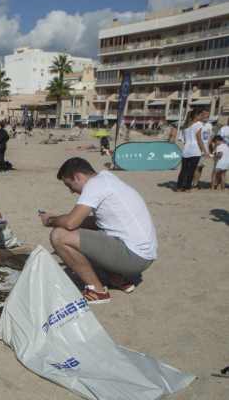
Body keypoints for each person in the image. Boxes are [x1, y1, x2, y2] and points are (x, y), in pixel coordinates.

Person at [40, 157, 157, 304]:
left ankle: (97, 291)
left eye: (69, 185)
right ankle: (118, 278)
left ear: (77, 177)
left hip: (134, 257)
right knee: (88, 230)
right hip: (144, 255)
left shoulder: (94, 185)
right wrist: (59, 218)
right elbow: (90, 222)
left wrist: (51, 221)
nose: (71, 191)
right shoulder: (107, 178)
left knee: (59, 235)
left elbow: (70, 223)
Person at [176, 110, 209, 192]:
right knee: (191, 170)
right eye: (200, 115)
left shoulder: (186, 126)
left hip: (186, 150)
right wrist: (205, 151)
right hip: (195, 150)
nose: (201, 117)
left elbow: (183, 141)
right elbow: (199, 139)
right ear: (195, 116)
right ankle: (187, 188)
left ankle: (179, 187)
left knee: (183, 170)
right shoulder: (198, 124)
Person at [193, 117, 215, 189]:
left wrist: (208, 145)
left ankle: (196, 182)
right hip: (197, 149)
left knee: (200, 167)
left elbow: (211, 135)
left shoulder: (209, 125)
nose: (206, 118)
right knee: (196, 167)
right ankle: (194, 183)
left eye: (207, 116)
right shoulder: (197, 124)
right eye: (205, 116)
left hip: (205, 150)